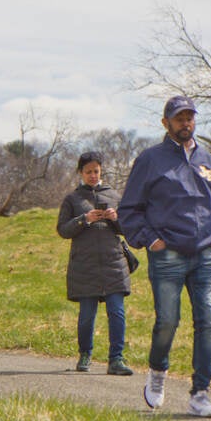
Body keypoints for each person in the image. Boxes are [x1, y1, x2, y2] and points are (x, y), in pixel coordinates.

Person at [118, 95, 211, 418]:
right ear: (165, 123)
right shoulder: (150, 159)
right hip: (166, 254)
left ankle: (200, 394)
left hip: (204, 255)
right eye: (179, 118)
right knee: (168, 321)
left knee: (206, 321)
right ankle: (157, 372)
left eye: (190, 117)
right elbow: (129, 210)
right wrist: (150, 240)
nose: (186, 123)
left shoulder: (208, 159)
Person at [57, 151, 134, 376]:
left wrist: (115, 218)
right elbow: (63, 230)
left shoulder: (114, 195)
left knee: (117, 312)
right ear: (80, 173)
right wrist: (84, 219)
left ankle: (116, 359)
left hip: (113, 261)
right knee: (87, 315)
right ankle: (85, 354)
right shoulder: (72, 199)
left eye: (96, 171)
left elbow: (127, 229)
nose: (92, 175)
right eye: (88, 172)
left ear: (101, 171)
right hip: (85, 264)